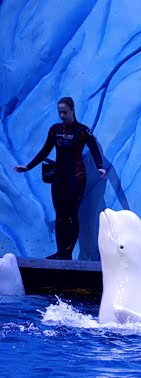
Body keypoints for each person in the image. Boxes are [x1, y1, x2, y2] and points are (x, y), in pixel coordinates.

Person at [15, 97, 106, 260]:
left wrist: (100, 166)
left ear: (73, 110)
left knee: (71, 214)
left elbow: (94, 149)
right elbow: (45, 150)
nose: (62, 115)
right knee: (60, 215)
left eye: (64, 112)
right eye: (59, 112)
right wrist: (28, 167)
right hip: (59, 176)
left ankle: (68, 252)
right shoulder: (55, 129)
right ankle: (60, 251)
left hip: (76, 176)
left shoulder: (82, 130)